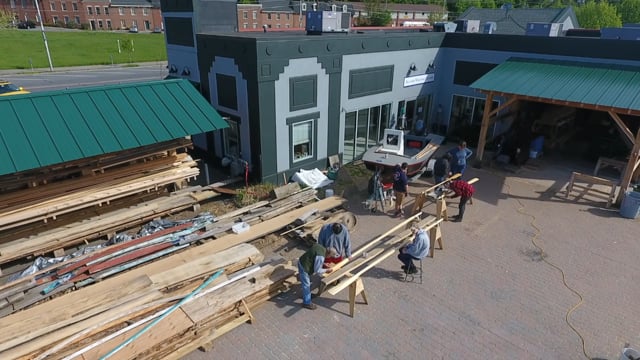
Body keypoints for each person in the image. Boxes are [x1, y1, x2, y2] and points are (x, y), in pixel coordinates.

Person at [297, 244, 338, 310]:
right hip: (304, 267)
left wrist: (323, 264)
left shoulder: (320, 247)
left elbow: (313, 256)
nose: (329, 258)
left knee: (305, 281)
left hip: (301, 260)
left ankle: (307, 296)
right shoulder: (320, 257)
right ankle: (306, 303)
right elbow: (317, 270)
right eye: (330, 256)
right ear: (328, 253)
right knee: (306, 285)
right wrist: (326, 270)